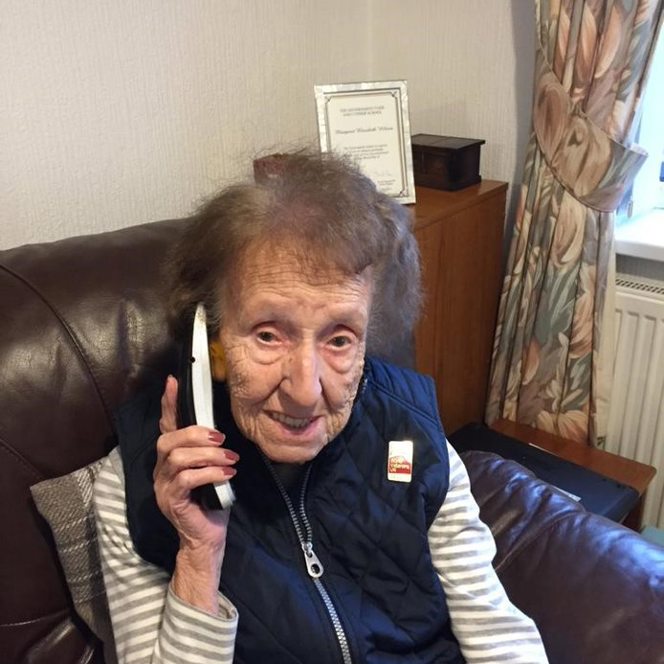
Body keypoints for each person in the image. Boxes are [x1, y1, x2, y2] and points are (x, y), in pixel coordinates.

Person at [94, 152, 548, 663]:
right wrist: (199, 558)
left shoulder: (412, 435)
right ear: (211, 340)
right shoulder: (131, 482)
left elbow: (497, 630)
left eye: (339, 339)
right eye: (268, 334)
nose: (306, 391)